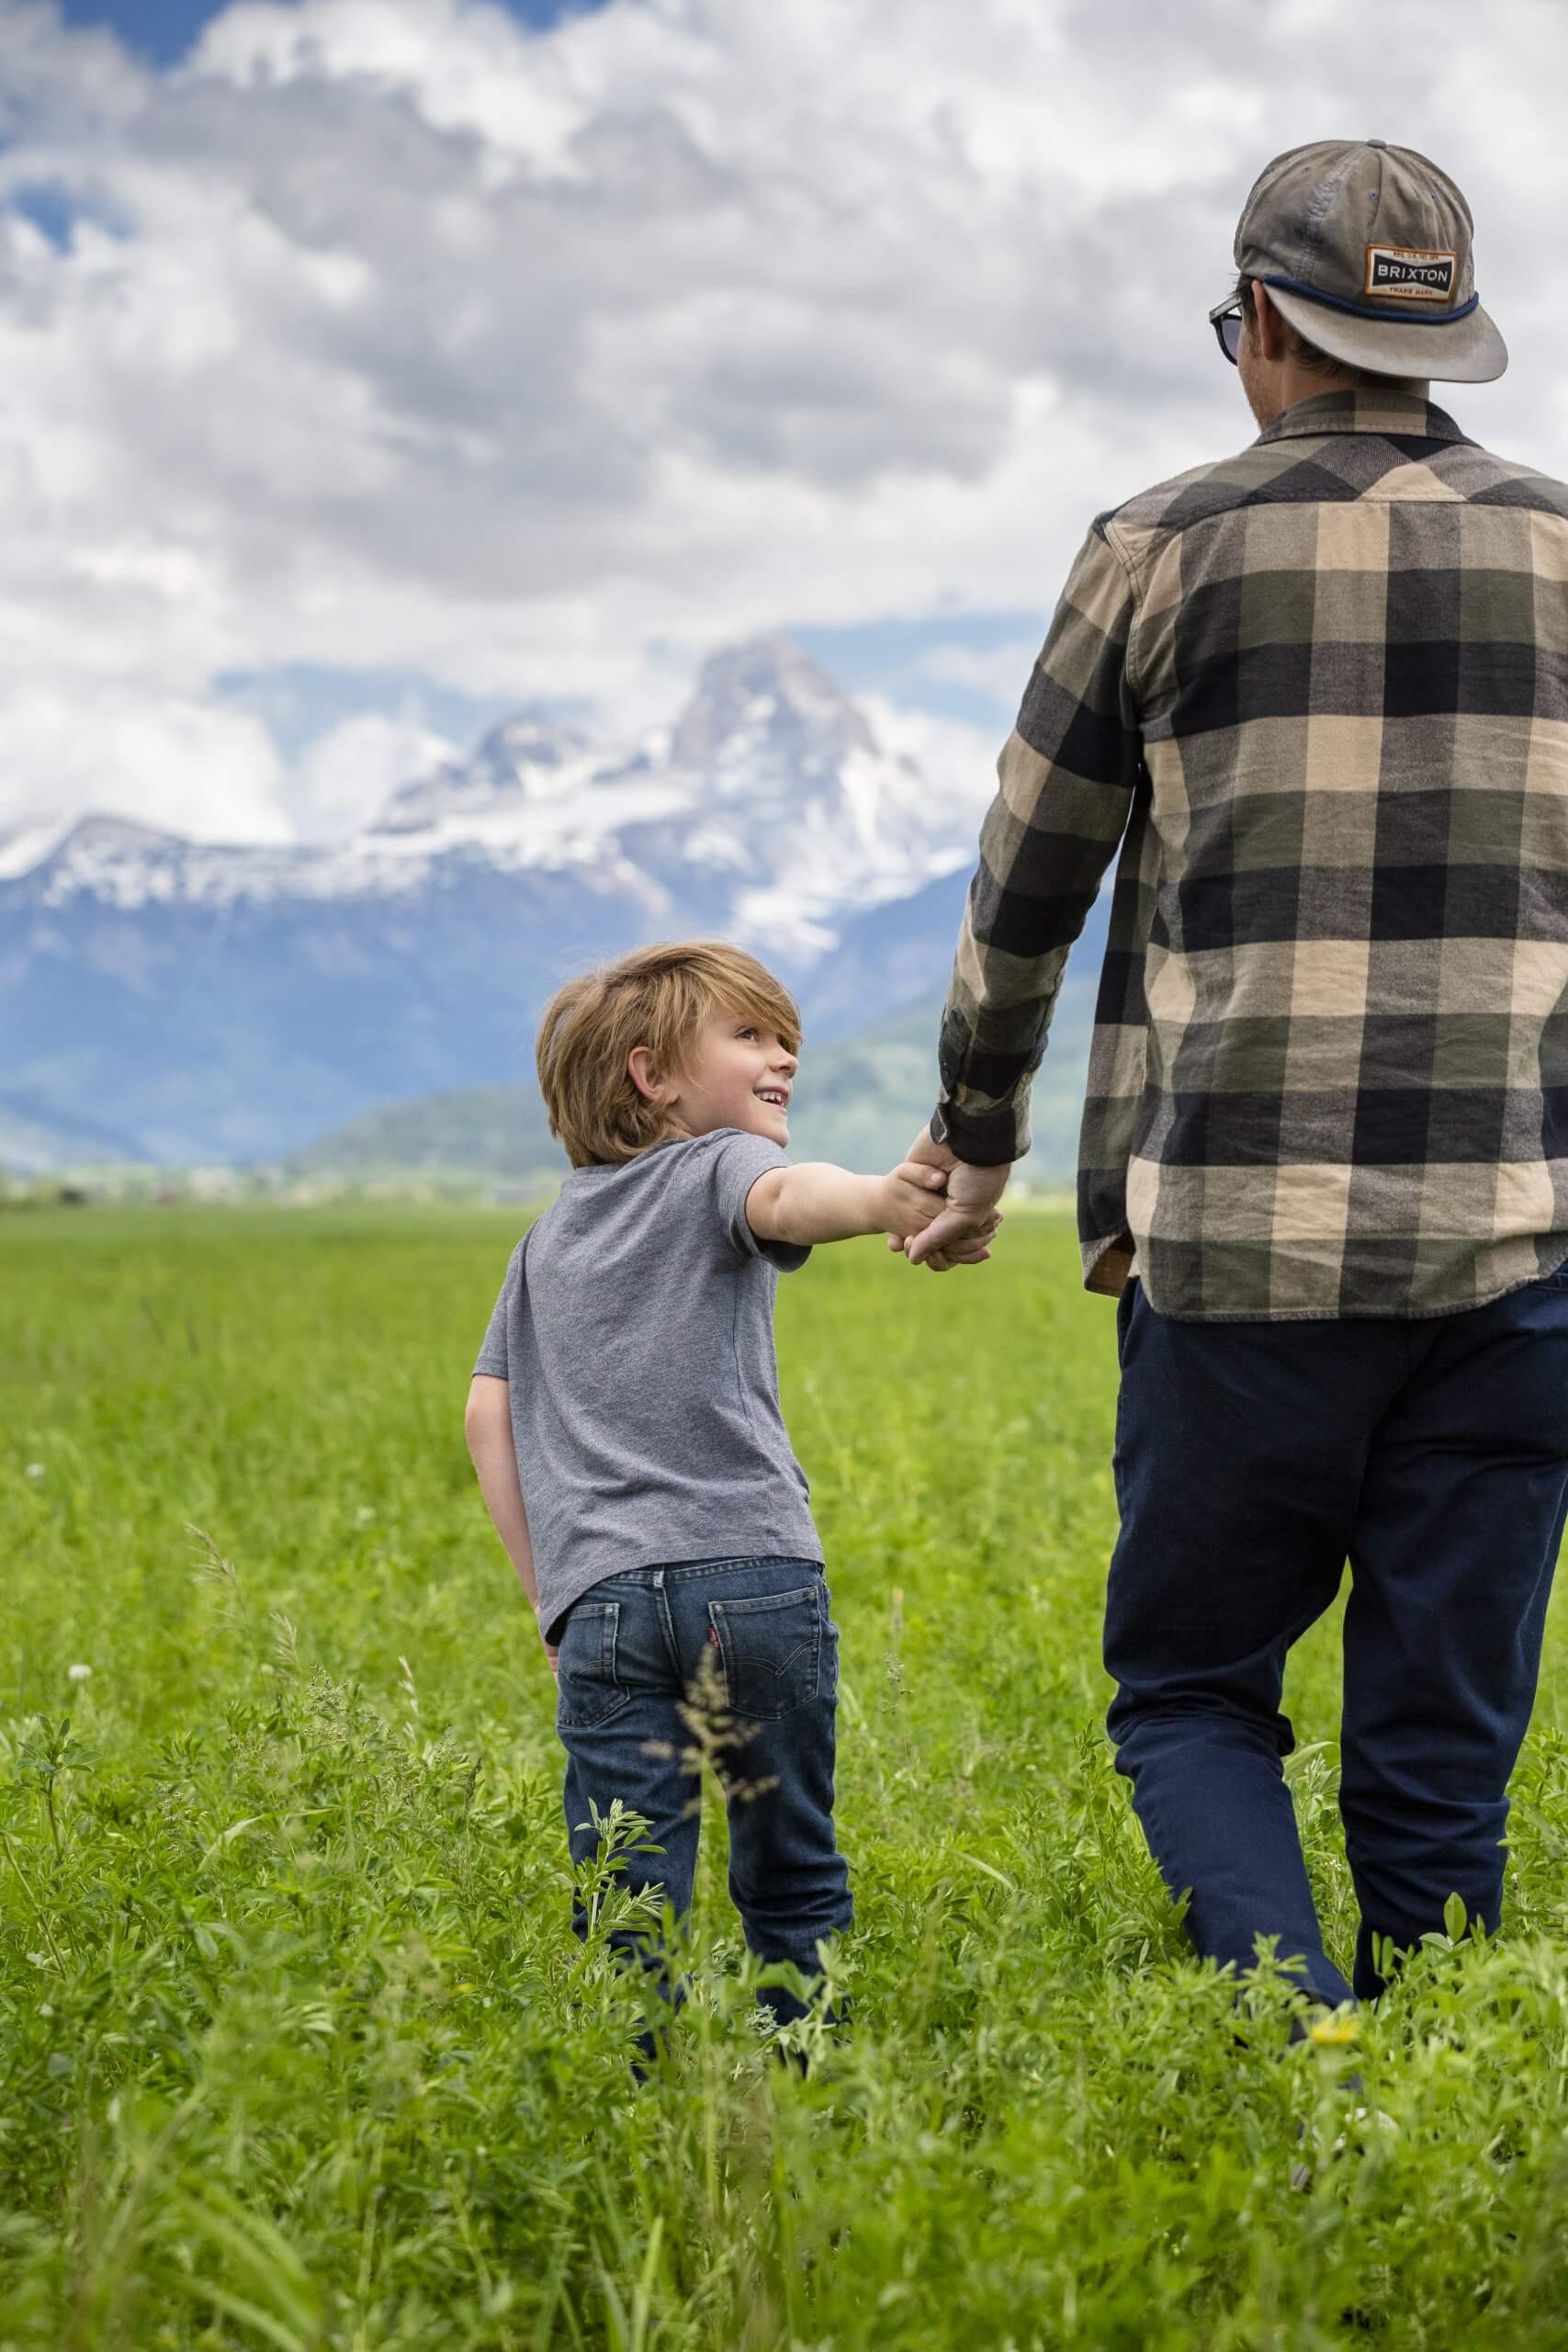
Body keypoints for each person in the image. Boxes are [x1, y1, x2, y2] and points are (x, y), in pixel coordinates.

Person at [901, 139, 1568, 2009]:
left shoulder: (1152, 550)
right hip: (1514, 1254)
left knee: (1192, 1690)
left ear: (1262, 322)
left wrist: (973, 1136)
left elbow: (1023, 885)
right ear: (1437, 338)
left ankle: (1294, 2057)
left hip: (1234, 1260)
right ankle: (1421, 2106)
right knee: (1441, 1750)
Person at [463, 939, 996, 2056]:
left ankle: (648, 2128)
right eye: (749, 1036)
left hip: (601, 1604)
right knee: (791, 1872)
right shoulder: (715, 1167)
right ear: (653, 1076)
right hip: (751, 1582)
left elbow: (487, 1416)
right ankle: (806, 2094)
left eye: (785, 1034)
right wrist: (886, 1197)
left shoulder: (542, 1237)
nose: (785, 1056)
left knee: (627, 1897)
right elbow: (792, 1198)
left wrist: (550, 1596)